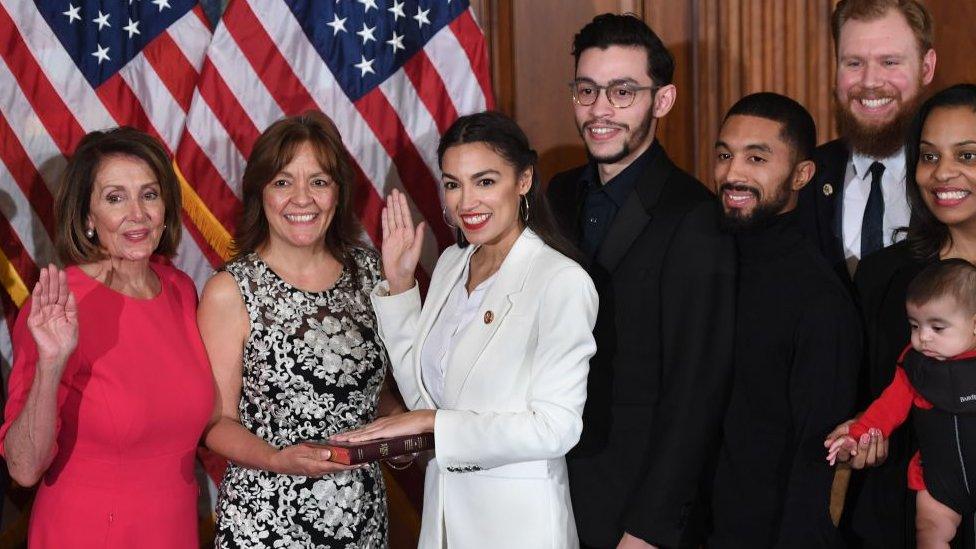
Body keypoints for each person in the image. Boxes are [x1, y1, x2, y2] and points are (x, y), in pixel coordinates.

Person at [332, 111, 598, 548]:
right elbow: (425, 397)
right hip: (443, 523)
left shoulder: (560, 281)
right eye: (453, 184)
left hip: (519, 528)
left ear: (524, 180)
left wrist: (434, 423)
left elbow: (556, 428)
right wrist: (400, 287)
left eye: (485, 181)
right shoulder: (454, 264)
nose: (466, 202)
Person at [547, 13, 737, 549]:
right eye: (587, 90)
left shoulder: (694, 215)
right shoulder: (554, 196)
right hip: (547, 490)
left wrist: (650, 528)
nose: (600, 109)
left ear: (663, 100)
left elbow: (698, 390)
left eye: (623, 91)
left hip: (636, 512)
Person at [0, 128, 215, 547]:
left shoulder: (181, 290)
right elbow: (24, 469)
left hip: (173, 530)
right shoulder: (59, 305)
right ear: (86, 218)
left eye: (149, 194)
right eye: (115, 198)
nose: (137, 213)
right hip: (86, 531)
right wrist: (50, 363)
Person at [200, 112, 397, 547]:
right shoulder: (230, 289)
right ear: (261, 193)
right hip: (266, 521)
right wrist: (277, 458)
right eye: (283, 182)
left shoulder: (369, 273)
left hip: (361, 519)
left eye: (320, 182)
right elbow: (216, 422)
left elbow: (375, 395)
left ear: (339, 193)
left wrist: (422, 429)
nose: (302, 199)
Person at [708, 93, 861, 547]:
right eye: (724, 155)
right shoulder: (699, 257)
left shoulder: (820, 298)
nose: (733, 173)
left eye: (757, 158)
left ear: (802, 175)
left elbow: (817, 461)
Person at [841, 83, 976, 548]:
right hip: (907, 518)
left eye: (968, 156)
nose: (944, 174)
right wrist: (861, 435)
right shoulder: (885, 274)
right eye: (930, 156)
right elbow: (870, 395)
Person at [828, 259, 976, 548]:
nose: (923, 337)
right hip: (939, 482)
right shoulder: (915, 367)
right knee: (930, 530)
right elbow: (886, 410)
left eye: (937, 327)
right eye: (914, 325)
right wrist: (855, 436)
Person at [797, 0, 937, 278]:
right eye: (854, 63)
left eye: (889, 62)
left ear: (926, 68)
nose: (870, 81)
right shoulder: (803, 179)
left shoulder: (959, 179)